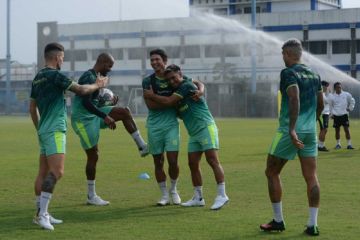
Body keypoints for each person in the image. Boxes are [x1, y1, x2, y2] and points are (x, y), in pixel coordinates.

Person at [30, 42, 108, 230]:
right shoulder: (55, 75)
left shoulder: (37, 77)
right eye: (62, 58)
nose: (62, 61)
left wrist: (40, 129)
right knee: (57, 172)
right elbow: (81, 90)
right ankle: (42, 215)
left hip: (44, 130)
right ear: (57, 57)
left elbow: (32, 108)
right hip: (55, 129)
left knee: (43, 172)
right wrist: (97, 85)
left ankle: (41, 213)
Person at [259, 39, 324, 236]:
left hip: (290, 130)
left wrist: (293, 129)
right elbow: (321, 103)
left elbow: (294, 98)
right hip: (310, 131)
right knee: (311, 177)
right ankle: (312, 224)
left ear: (287, 54)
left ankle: (278, 221)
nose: (282, 58)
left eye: (283, 54)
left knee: (271, 172)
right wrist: (312, 122)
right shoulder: (314, 73)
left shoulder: (288, 72)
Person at [143, 64, 229, 210]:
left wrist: (151, 95)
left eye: (174, 78)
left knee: (212, 160)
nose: (172, 81)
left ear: (180, 74)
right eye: (169, 79)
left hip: (205, 127)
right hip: (194, 133)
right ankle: (198, 197)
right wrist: (201, 89)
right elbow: (199, 84)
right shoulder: (178, 90)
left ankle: (222, 195)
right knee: (193, 164)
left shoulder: (186, 85)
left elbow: (169, 101)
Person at [71, 53, 149, 206]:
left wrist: (109, 102)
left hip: (94, 114)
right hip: (82, 119)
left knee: (124, 112)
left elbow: (95, 101)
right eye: (110, 66)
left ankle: (142, 147)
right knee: (93, 155)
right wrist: (104, 116)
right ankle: (91, 196)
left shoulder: (99, 77)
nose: (111, 69)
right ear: (102, 62)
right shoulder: (88, 76)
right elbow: (86, 103)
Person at [142, 49, 204, 206]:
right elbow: (150, 105)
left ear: (164, 60)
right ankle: (164, 195)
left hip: (171, 125)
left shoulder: (174, 77)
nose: (154, 62)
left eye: (157, 59)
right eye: (152, 60)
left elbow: (196, 83)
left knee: (173, 161)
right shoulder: (147, 81)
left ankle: (174, 190)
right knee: (158, 162)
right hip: (154, 125)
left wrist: (201, 91)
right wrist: (170, 100)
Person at [328, 82, 355, 150]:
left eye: (340, 87)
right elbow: (330, 106)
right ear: (335, 88)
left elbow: (352, 101)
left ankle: (349, 145)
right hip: (336, 116)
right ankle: (338, 144)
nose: (339, 88)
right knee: (337, 131)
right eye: (337, 87)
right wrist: (331, 114)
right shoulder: (332, 96)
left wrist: (350, 108)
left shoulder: (346, 94)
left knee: (347, 130)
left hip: (344, 115)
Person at [317, 80, 331, 152]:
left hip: (324, 113)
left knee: (323, 130)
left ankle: (319, 145)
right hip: (323, 114)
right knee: (324, 129)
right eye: (327, 86)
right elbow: (328, 102)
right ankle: (320, 146)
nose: (327, 88)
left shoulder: (323, 93)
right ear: (323, 86)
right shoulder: (322, 94)